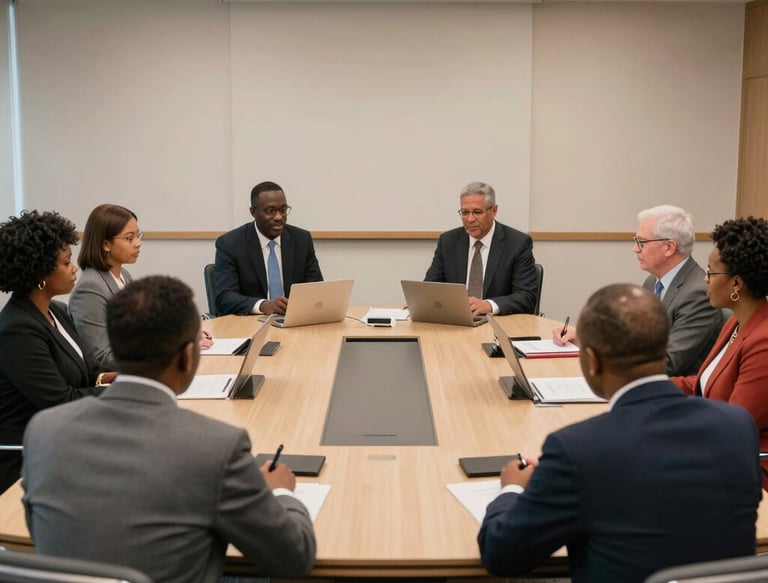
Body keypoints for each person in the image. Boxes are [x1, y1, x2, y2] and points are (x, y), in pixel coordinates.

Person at [22, 275, 316, 583]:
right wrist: (281, 491)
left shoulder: (44, 430)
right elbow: (294, 559)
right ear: (188, 356)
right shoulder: (216, 447)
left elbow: (42, 533)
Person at [478, 283, 762, 583]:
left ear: (592, 360)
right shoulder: (736, 426)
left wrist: (512, 489)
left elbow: (500, 554)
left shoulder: (576, 450)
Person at [0, 210, 113, 494]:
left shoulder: (58, 312)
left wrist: (134, 375)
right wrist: (127, 390)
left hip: (66, 435)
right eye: (65, 263)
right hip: (28, 454)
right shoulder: (17, 330)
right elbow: (60, 400)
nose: (74, 268)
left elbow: (90, 372)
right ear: (39, 273)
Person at [553, 205, 722, 376]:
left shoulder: (698, 294)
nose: (635, 249)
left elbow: (668, 362)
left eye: (642, 242)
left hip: (673, 393)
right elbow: (633, 337)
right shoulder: (653, 281)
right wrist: (586, 339)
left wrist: (602, 358)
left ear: (669, 247)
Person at [670, 216, 768, 489]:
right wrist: (643, 386)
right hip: (717, 450)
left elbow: (737, 424)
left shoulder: (763, 342)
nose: (704, 279)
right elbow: (702, 385)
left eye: (711, 272)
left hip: (749, 469)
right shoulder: (735, 322)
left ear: (736, 284)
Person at [69, 204, 213, 369]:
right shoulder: (90, 288)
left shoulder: (123, 275)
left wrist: (184, 338)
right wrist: (169, 355)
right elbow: (101, 356)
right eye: (129, 238)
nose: (138, 243)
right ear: (106, 244)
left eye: (138, 236)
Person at [424, 181, 538, 316]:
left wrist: (489, 305)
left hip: (499, 323)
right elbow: (431, 287)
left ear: (494, 211)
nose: (470, 219)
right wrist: (422, 301)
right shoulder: (448, 241)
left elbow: (526, 296)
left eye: (477, 212)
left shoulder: (517, 243)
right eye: (465, 212)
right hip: (456, 322)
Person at [214, 181, 323, 316]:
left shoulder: (301, 239)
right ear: (253, 212)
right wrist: (263, 305)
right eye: (270, 211)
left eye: (283, 210)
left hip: (294, 321)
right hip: (249, 324)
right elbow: (224, 297)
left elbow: (316, 288)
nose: (279, 217)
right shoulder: (230, 244)